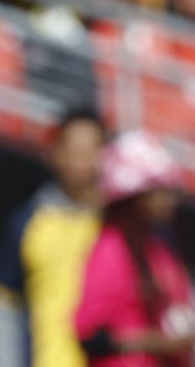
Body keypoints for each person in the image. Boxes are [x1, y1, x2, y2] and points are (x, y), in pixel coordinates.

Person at [0, 108, 106, 367]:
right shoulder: (28, 222)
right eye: (72, 150)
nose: (80, 161)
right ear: (54, 152)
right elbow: (1, 305)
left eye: (89, 151)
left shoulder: (122, 225)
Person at [75, 130, 195, 367]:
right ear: (134, 197)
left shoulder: (158, 251)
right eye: (159, 190)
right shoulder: (109, 251)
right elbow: (88, 335)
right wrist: (155, 343)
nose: (169, 199)